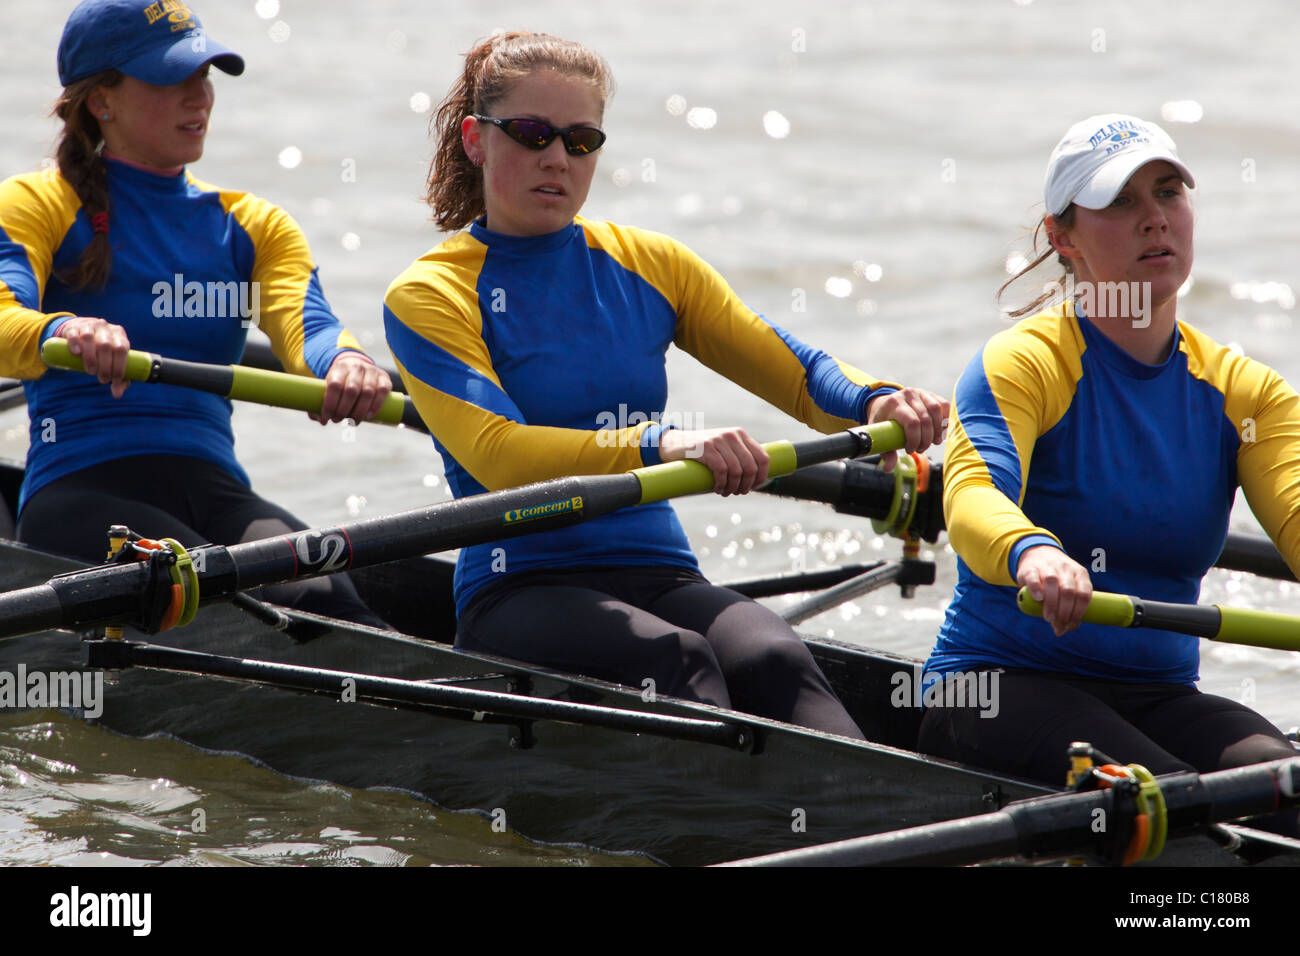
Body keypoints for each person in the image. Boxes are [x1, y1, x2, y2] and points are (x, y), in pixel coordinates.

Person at [384, 31, 949, 738]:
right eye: (531, 134)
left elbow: (796, 370)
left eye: (580, 139)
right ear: (476, 139)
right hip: (521, 583)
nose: (556, 158)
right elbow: (498, 455)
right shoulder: (430, 293)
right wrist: (660, 444)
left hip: (659, 571)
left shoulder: (650, 264)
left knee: (776, 654)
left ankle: (883, 826)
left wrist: (874, 399)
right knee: (679, 662)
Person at [920, 113, 1299, 787]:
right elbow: (973, 496)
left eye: (1168, 193)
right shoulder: (1024, 364)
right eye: (1121, 202)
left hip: (1159, 697)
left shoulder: (1245, 391)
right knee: (1176, 802)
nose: (1154, 218)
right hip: (995, 688)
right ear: (1060, 236)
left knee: (1278, 785)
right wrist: (1030, 550)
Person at [0, 0, 391, 627]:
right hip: (80, 490)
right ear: (103, 99)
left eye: (204, 76)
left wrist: (345, 360)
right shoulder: (39, 202)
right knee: (221, 600)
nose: (198, 97)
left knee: (328, 602)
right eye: (171, 79)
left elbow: (304, 323)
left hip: (213, 486)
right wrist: (62, 328)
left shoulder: (250, 223)